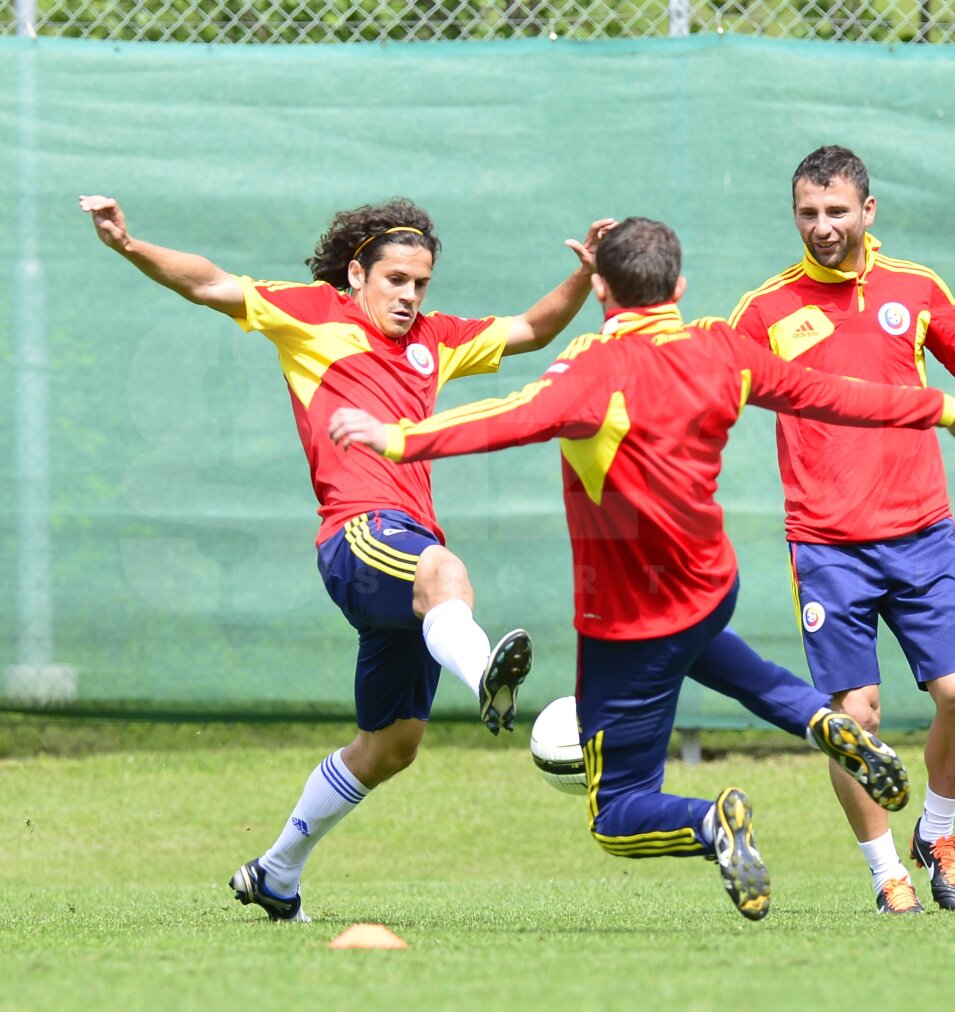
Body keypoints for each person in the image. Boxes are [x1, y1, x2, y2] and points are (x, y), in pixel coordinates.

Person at [327, 216, 955, 920]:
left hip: (626, 618)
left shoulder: (593, 368)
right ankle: (819, 720)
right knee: (709, 649)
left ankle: (712, 824)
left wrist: (396, 436)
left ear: (600, 290)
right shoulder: (721, 348)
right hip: (708, 585)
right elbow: (833, 392)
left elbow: (506, 416)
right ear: (677, 287)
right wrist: (944, 409)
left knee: (615, 813)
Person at [80, 193, 616, 923]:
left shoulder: (436, 339)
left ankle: (276, 873)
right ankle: (486, 678)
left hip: (404, 548)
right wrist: (128, 244)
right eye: (396, 280)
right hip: (358, 534)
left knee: (392, 745)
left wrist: (586, 276)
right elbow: (207, 283)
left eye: (420, 283)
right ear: (357, 274)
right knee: (445, 573)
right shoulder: (312, 314)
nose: (409, 295)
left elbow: (532, 328)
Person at [727, 145, 955, 915]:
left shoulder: (914, 289)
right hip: (827, 546)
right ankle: (887, 872)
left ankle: (938, 835)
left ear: (868, 210)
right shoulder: (765, 311)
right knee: (855, 721)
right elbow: (709, 384)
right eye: (808, 213)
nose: (823, 226)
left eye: (837, 211)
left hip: (922, 534)